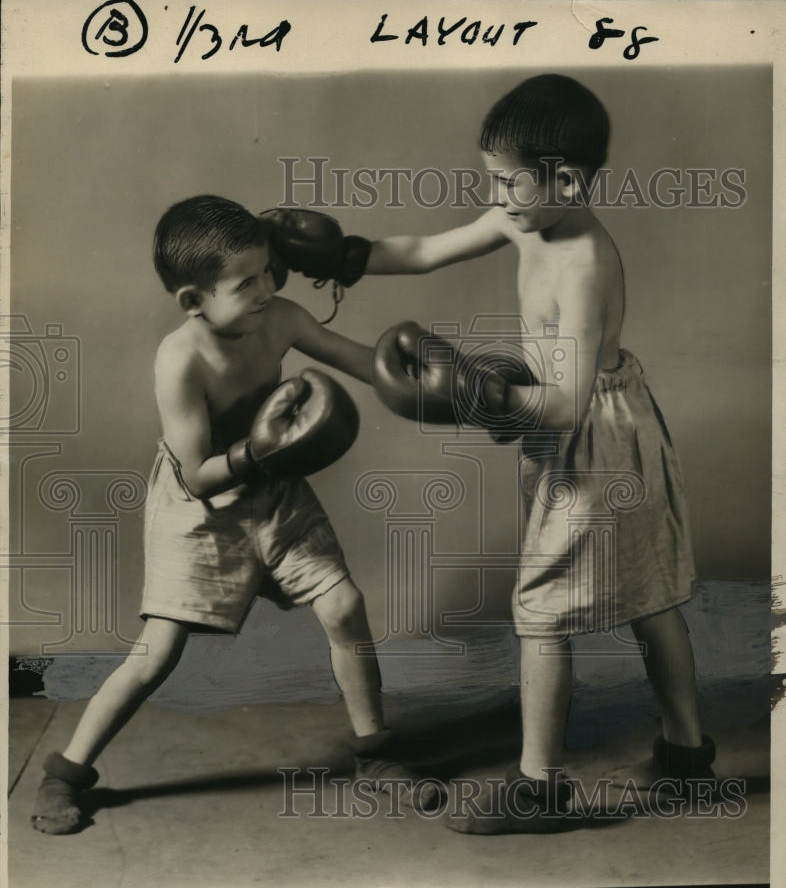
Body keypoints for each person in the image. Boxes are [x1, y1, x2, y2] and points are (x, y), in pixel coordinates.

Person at [361, 74, 717, 832]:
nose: (494, 196)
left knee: (542, 612)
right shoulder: (526, 214)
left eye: (505, 181)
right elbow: (423, 250)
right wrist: (344, 255)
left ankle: (539, 787)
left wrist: (476, 392)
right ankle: (687, 758)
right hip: (583, 434)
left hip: (596, 439)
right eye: (490, 178)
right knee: (650, 600)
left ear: (568, 181)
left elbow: (565, 403)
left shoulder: (585, 263)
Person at [31, 194, 434, 835]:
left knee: (344, 606)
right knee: (157, 653)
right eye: (246, 283)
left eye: (269, 270)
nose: (267, 289)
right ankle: (67, 771)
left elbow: (360, 361)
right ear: (194, 300)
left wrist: (420, 377)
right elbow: (195, 474)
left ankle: (374, 753)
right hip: (200, 509)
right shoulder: (179, 360)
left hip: (274, 491)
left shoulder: (280, 318)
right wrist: (257, 449)